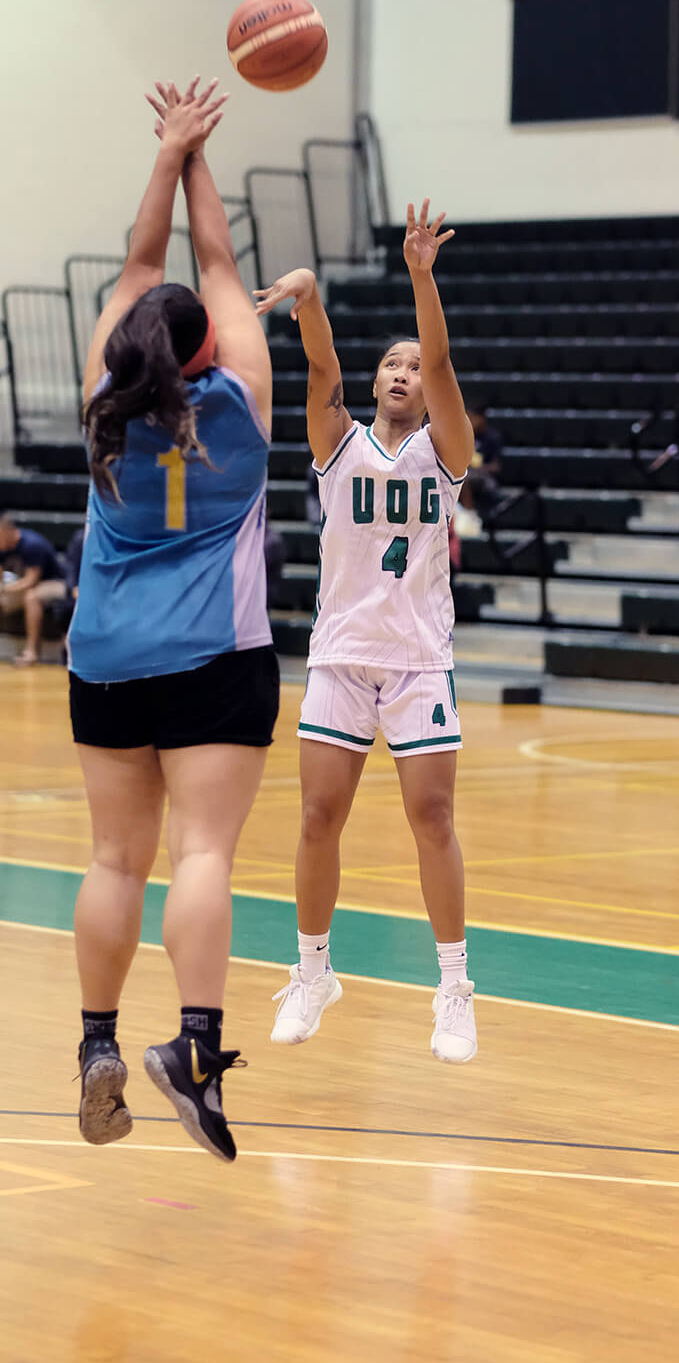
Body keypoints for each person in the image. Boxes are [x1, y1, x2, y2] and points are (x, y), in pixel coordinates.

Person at [69, 78, 279, 1163]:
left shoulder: (99, 405)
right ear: (203, 352)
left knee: (116, 858)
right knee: (206, 852)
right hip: (215, 654)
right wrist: (204, 162)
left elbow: (144, 269)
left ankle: (97, 1047)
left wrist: (165, 150)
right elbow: (217, 271)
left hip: (106, 654)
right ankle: (194, 1048)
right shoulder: (241, 399)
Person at [255, 200, 478, 1063]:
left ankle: (453, 986)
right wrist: (310, 301)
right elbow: (320, 376)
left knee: (432, 817)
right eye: (390, 362)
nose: (401, 372)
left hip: (420, 659)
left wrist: (422, 277)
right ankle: (313, 972)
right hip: (342, 656)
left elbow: (447, 363)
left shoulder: (443, 451)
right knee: (318, 815)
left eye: (411, 367)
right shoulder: (340, 445)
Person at [0, 515, 69, 664]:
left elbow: (31, 581)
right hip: (23, 585)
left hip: (56, 583)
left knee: (32, 597)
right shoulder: (3, 548)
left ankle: (32, 652)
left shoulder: (31, 544)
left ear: (7, 531)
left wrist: (5, 589)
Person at [454, 402, 502, 538]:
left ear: (482, 418)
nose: (471, 421)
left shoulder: (492, 437)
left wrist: (480, 468)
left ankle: (470, 514)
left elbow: (496, 466)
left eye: (473, 417)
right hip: (467, 473)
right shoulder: (464, 435)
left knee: (465, 478)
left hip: (485, 477)